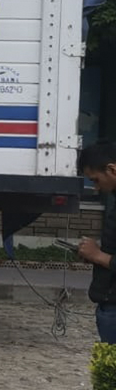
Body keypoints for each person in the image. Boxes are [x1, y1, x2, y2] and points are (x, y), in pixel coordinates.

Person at [79, 141, 116, 343]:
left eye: (96, 179)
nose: (95, 187)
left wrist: (99, 256)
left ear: (112, 169)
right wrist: (95, 256)